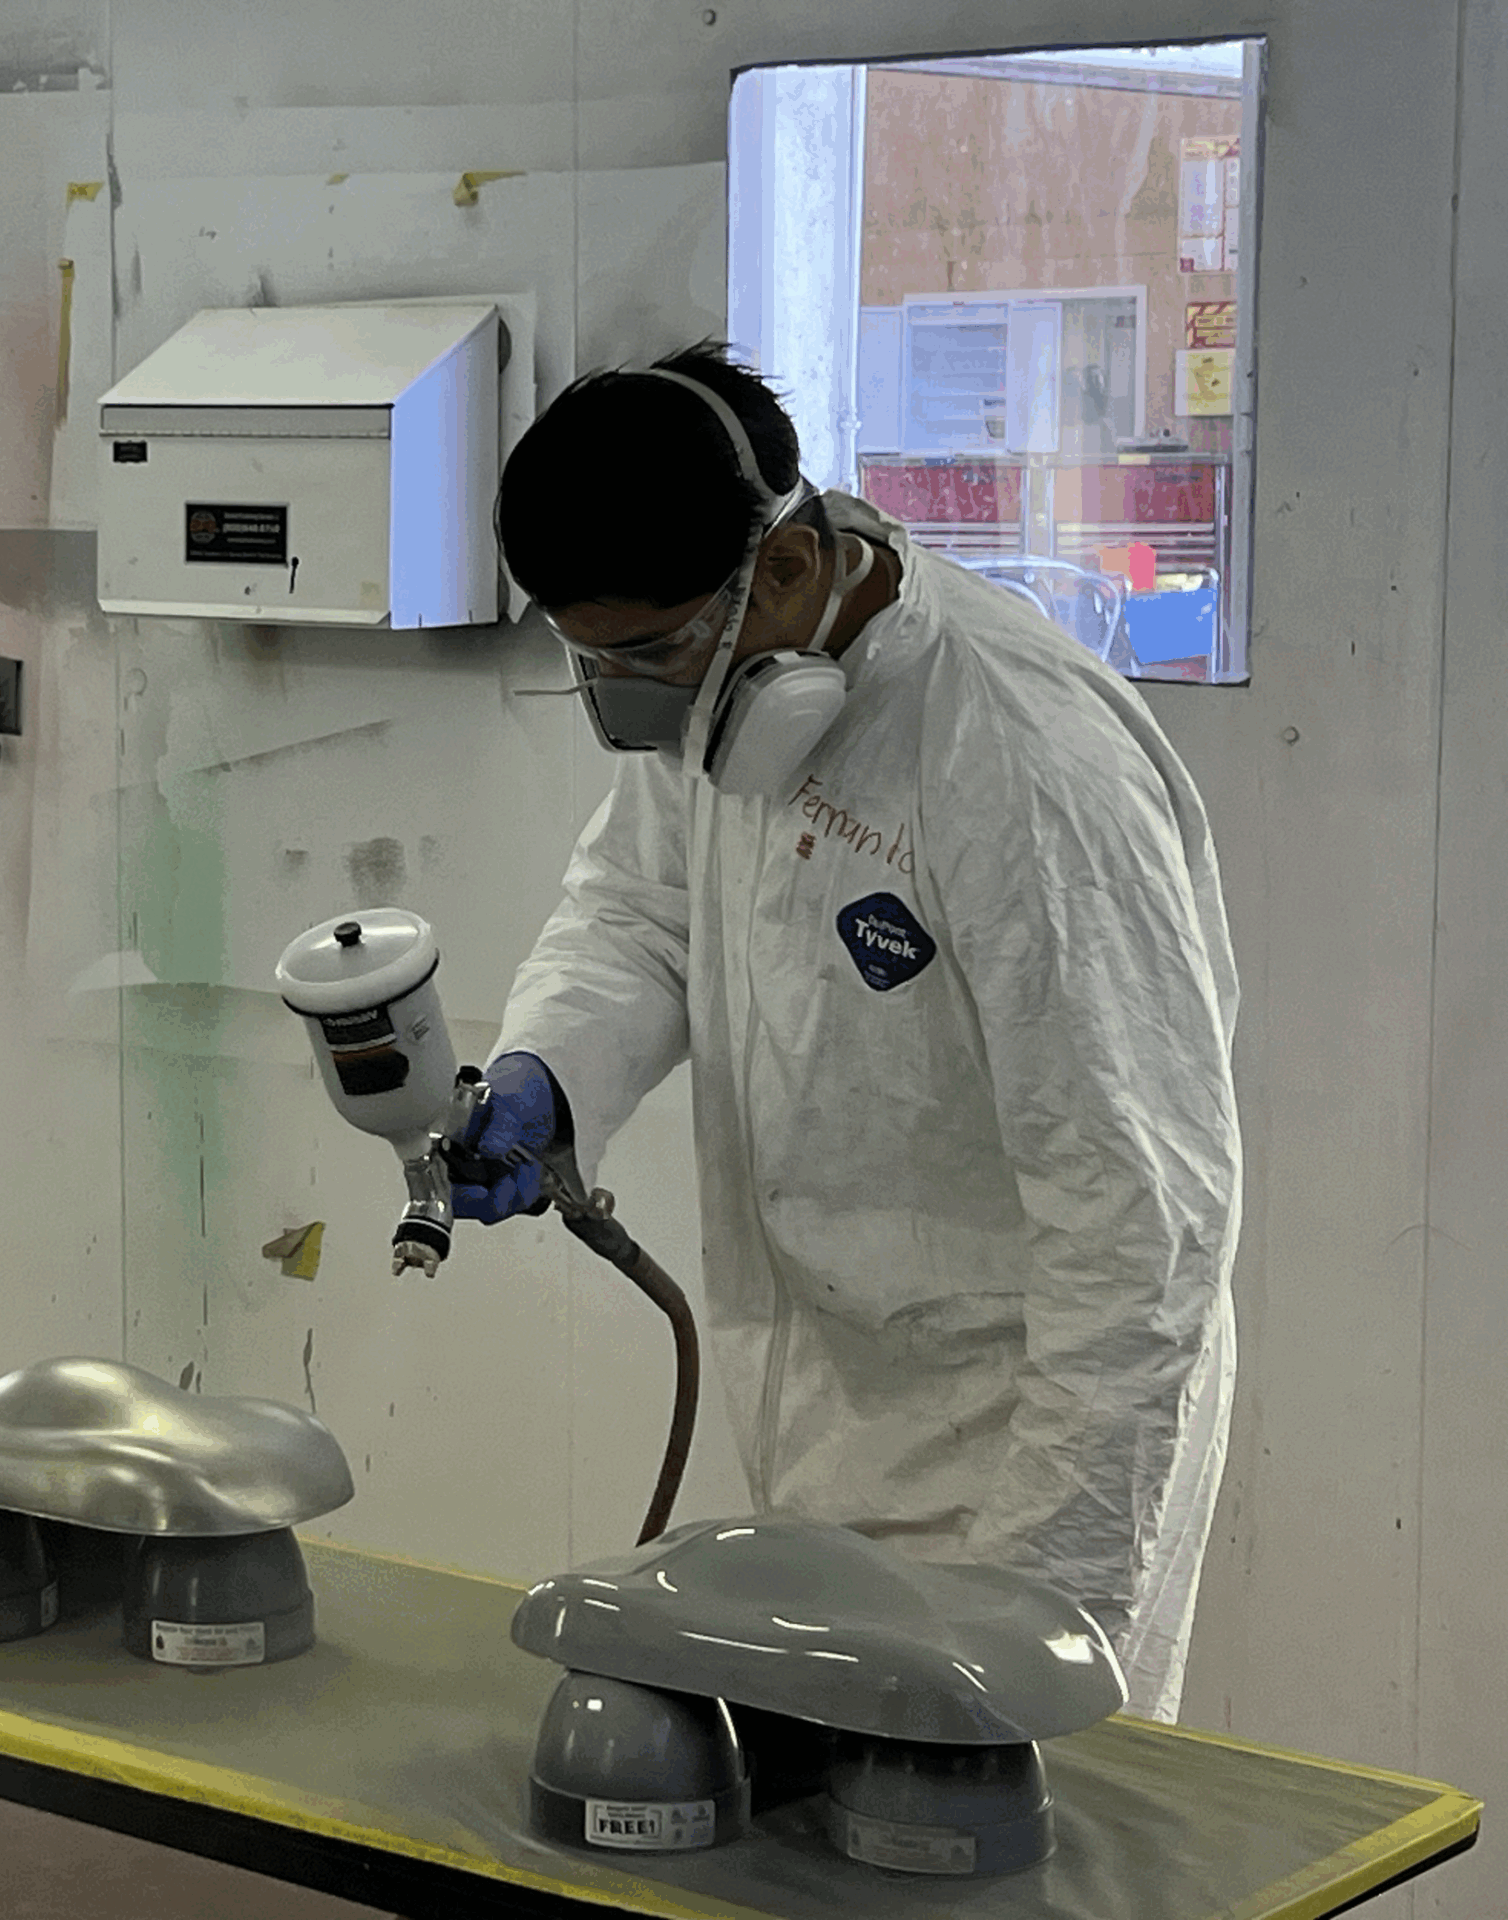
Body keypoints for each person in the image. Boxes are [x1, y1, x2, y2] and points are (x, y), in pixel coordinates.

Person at [458, 342, 1240, 1723]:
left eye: (648, 652)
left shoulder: (1024, 763)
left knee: (996, 1809)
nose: (628, 698)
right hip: (829, 1389)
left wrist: (1040, 1592)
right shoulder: (725, 703)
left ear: (786, 565)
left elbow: (1142, 1228)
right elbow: (640, 915)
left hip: (1029, 1428)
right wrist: (550, 1076)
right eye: (591, 660)